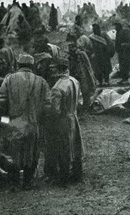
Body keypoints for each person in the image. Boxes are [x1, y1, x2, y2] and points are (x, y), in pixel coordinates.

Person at [0, 54, 50, 189]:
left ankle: (14, 182)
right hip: (33, 122)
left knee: (13, 153)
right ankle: (27, 182)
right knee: (32, 152)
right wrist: (40, 120)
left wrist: (3, 121)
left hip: (14, 122)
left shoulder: (9, 79)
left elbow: (0, 103)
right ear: (32, 66)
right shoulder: (41, 81)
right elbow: (48, 105)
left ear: (18, 65)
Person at [44, 57, 84, 185]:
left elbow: (55, 110)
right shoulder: (75, 81)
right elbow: (81, 101)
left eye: (54, 68)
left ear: (58, 69)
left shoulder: (58, 86)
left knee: (63, 148)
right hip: (74, 116)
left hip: (62, 120)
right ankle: (77, 174)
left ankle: (64, 178)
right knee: (76, 145)